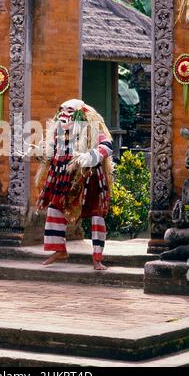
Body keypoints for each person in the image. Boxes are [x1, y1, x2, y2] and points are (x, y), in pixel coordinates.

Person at [35, 99, 113, 270]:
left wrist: (91, 156)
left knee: (96, 215)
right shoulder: (58, 134)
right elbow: (48, 152)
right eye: (61, 110)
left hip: (90, 180)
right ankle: (59, 250)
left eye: (69, 110)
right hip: (63, 179)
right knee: (54, 209)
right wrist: (37, 153)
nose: (64, 113)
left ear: (81, 114)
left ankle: (97, 257)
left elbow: (107, 145)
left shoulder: (92, 131)